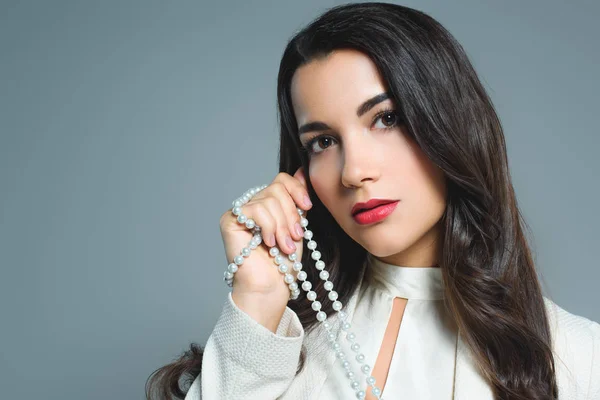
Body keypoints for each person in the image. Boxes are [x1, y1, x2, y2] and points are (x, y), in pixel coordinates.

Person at [146, 3, 600, 399]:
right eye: (323, 141)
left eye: (387, 118)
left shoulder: (580, 359)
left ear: (451, 125)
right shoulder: (276, 344)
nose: (353, 171)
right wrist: (258, 299)